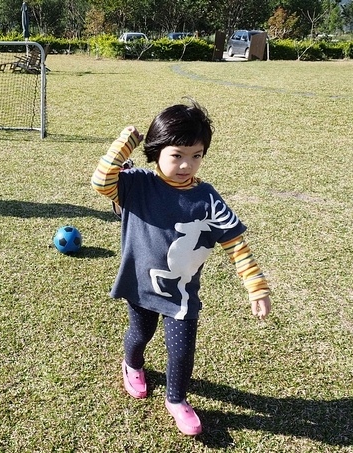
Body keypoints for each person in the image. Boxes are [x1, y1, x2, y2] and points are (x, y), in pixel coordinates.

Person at [91, 100, 271, 436]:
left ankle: (176, 399)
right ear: (157, 151)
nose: (187, 164)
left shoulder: (207, 198)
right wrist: (123, 143)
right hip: (141, 288)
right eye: (177, 155)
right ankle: (132, 365)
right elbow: (101, 182)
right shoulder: (137, 184)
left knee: (182, 351)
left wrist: (256, 286)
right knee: (139, 335)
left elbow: (235, 242)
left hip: (182, 295)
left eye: (196, 155)